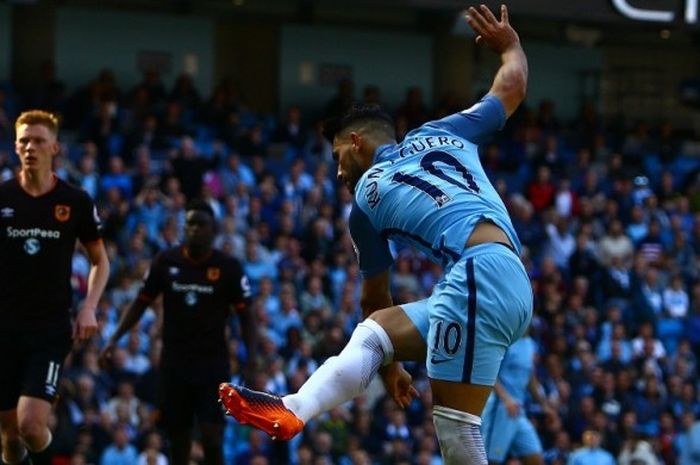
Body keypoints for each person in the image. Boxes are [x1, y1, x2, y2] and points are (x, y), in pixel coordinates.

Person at [220, 4, 531, 464]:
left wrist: (389, 374)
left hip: (475, 278)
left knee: (458, 435)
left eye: (337, 156)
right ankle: (293, 407)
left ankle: (295, 408)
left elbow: (373, 295)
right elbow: (512, 86)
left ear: (356, 142)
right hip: (509, 280)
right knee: (379, 332)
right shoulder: (446, 132)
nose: (339, 170)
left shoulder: (365, 198)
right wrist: (511, 46)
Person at [99, 199, 256, 465]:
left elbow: (247, 317)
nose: (194, 229)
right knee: (178, 441)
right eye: (190, 224)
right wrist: (115, 337)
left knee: (212, 438)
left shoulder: (228, 267)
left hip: (212, 366)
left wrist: (251, 359)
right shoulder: (166, 261)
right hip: (175, 365)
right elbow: (141, 302)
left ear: (213, 230)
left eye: (201, 224)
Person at [0, 110, 110, 465]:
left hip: (49, 329)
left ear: (55, 148)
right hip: (3, 328)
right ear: (16, 147)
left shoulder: (74, 201)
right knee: (11, 440)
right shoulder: (2, 197)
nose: (30, 147)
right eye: (24, 141)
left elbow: (100, 260)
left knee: (31, 426)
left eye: (38, 141)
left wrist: (90, 305)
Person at [481, 333, 552, 464]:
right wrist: (506, 399)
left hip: (519, 410)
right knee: (491, 461)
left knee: (536, 459)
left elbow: (530, 377)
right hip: (501, 407)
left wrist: (545, 406)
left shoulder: (530, 343)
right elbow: (489, 371)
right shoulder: (505, 339)